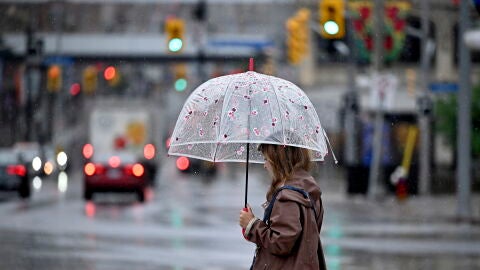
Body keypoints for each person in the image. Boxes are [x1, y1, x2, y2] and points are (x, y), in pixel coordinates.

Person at [239, 143, 327, 270]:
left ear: (278, 160)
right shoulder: (309, 190)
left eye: (266, 159)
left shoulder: (287, 197)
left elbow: (281, 243)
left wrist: (251, 225)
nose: (265, 165)